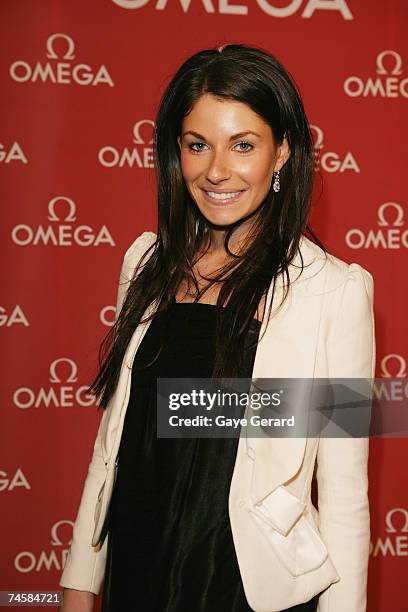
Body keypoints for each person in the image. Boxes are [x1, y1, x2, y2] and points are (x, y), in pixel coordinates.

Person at [58, 44, 375, 612]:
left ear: (282, 152)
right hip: (138, 561)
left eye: (243, 145)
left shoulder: (334, 291)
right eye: (197, 145)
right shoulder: (146, 262)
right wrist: (81, 581)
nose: (216, 171)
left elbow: (346, 492)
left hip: (243, 584)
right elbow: (115, 440)